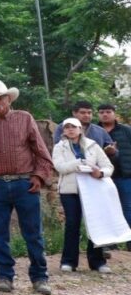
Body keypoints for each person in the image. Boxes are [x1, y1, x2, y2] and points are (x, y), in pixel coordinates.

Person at [0, 80, 54, 295]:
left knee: (33, 233)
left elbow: (42, 152)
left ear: (9, 99)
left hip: (24, 183)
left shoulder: (25, 118)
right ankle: (4, 277)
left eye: (0, 98)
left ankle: (39, 277)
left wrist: (38, 176)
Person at [52, 117, 114, 273]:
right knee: (72, 224)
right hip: (69, 190)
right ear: (63, 130)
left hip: (92, 189)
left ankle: (97, 262)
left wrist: (100, 173)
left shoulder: (93, 145)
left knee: (94, 224)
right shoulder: (59, 147)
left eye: (73, 127)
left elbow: (108, 166)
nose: (70, 129)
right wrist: (80, 163)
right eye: (67, 127)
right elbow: (60, 167)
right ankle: (69, 262)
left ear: (80, 129)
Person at [98, 103, 131, 250]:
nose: (105, 114)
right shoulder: (95, 131)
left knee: (128, 209)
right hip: (103, 177)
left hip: (125, 176)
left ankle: (129, 242)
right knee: (107, 210)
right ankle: (110, 244)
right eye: (102, 112)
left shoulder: (126, 130)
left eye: (108, 112)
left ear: (114, 113)